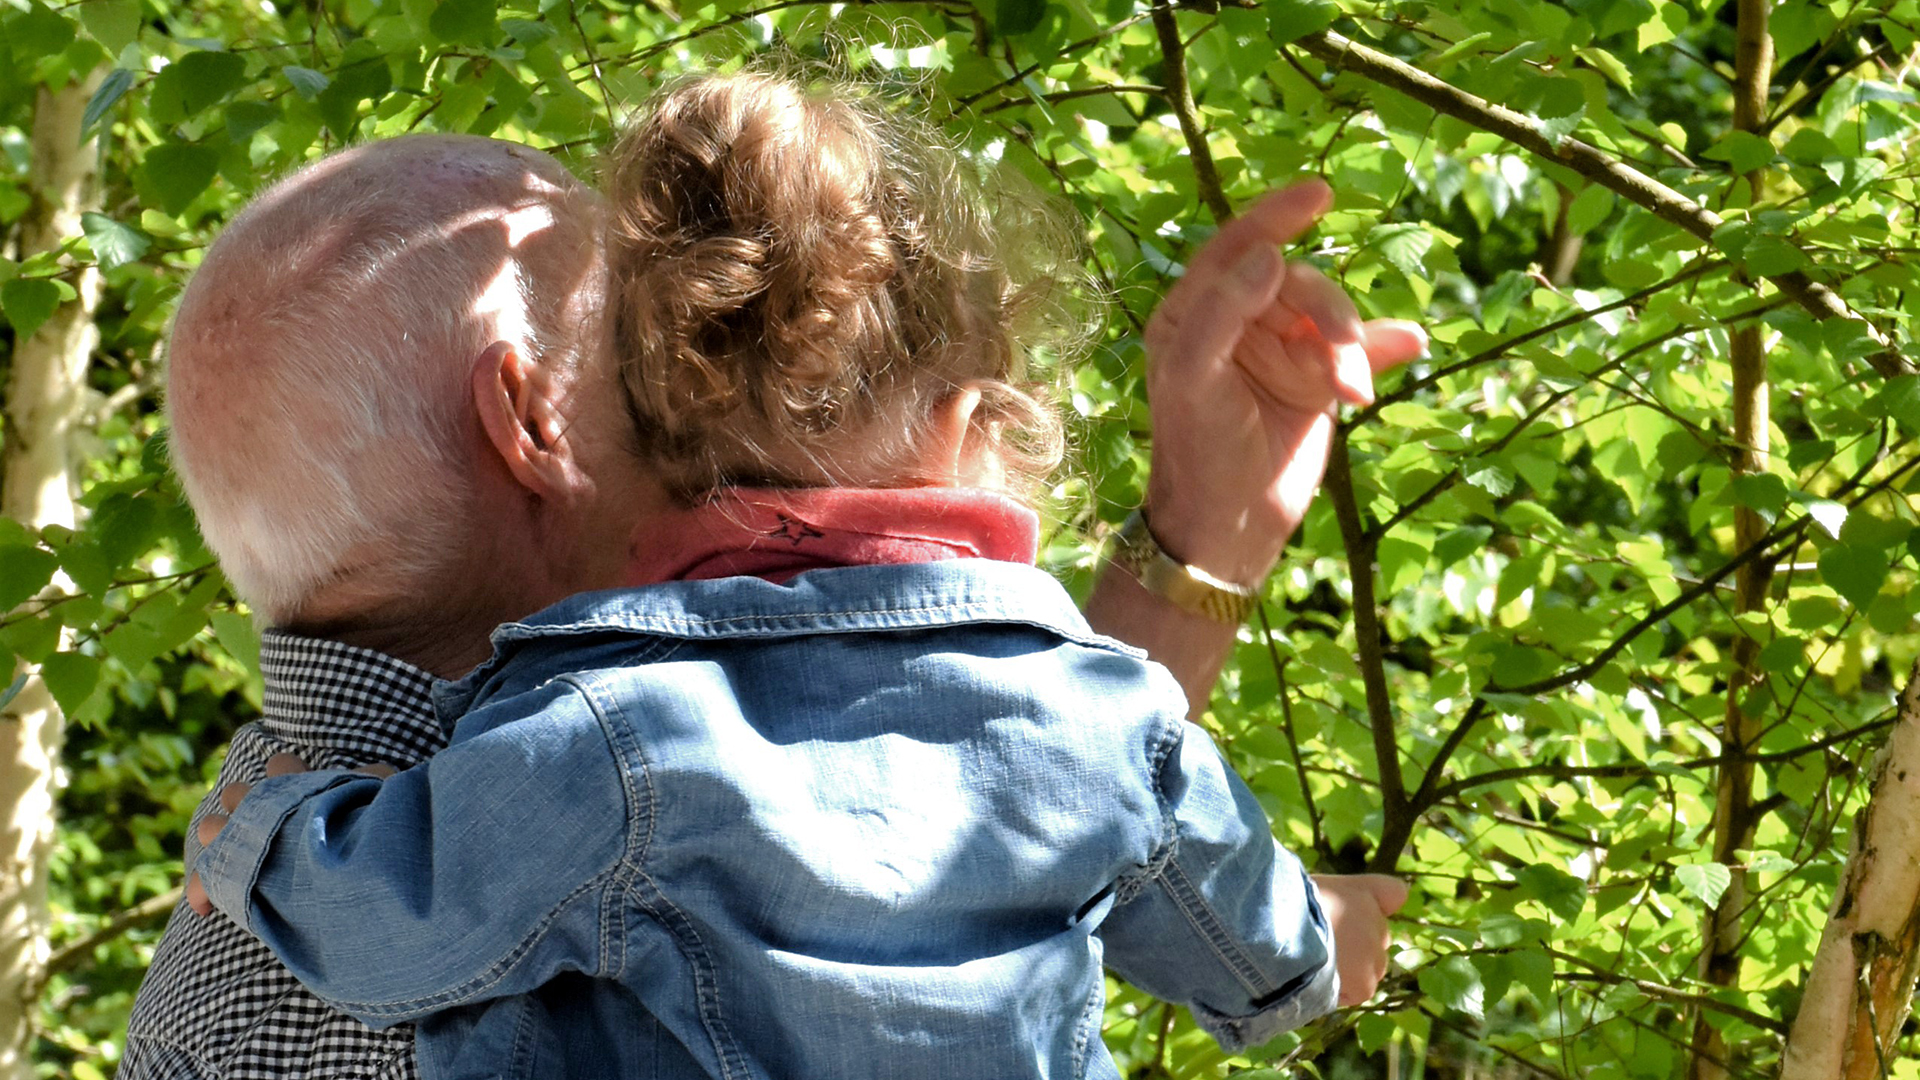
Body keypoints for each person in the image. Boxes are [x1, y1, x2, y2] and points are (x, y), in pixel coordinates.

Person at [130, 113, 1422, 1080]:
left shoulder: (553, 777)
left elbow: (953, 788)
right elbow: (1038, 790)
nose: (720, 383)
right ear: (529, 419)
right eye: (658, 348)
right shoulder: (318, 1025)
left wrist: (1201, 536)